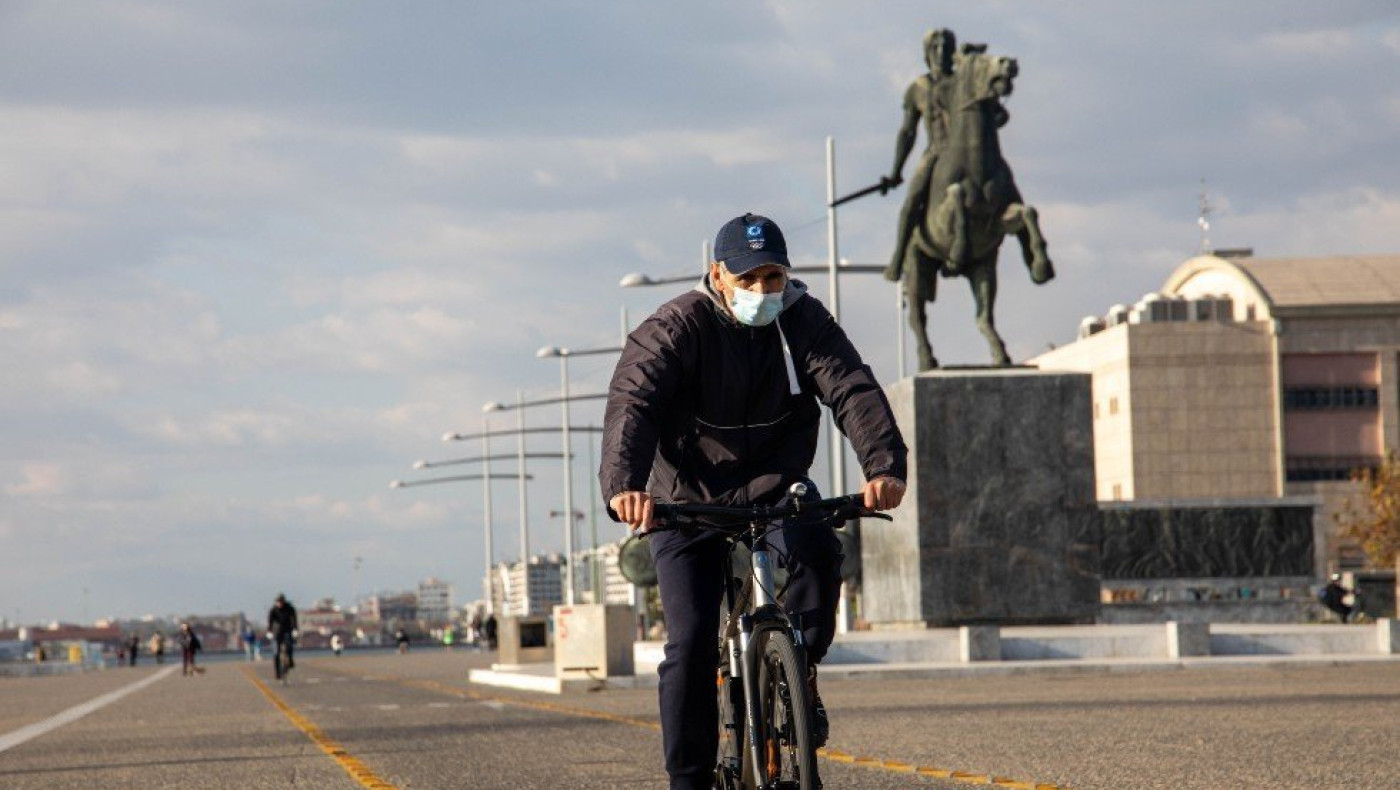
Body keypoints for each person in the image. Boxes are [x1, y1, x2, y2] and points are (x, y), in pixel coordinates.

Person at [601, 213, 908, 790]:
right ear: (718, 275)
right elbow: (633, 400)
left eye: (773, 277)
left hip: (774, 484)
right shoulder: (675, 326)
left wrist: (884, 465)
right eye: (749, 279)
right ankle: (688, 779)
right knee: (690, 642)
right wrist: (625, 484)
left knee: (818, 555)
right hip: (684, 499)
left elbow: (851, 386)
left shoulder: (801, 319)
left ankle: (798, 669)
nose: (763, 291)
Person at [266, 593, 299, 672]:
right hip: (277, 631)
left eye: (281, 601)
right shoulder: (273, 610)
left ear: (284, 601)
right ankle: (277, 671)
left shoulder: (290, 608)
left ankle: (290, 660)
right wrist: (269, 631)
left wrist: (295, 629)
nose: (279, 603)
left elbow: (293, 619)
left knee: (289, 646)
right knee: (276, 652)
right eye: (278, 602)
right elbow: (270, 621)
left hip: (287, 630)